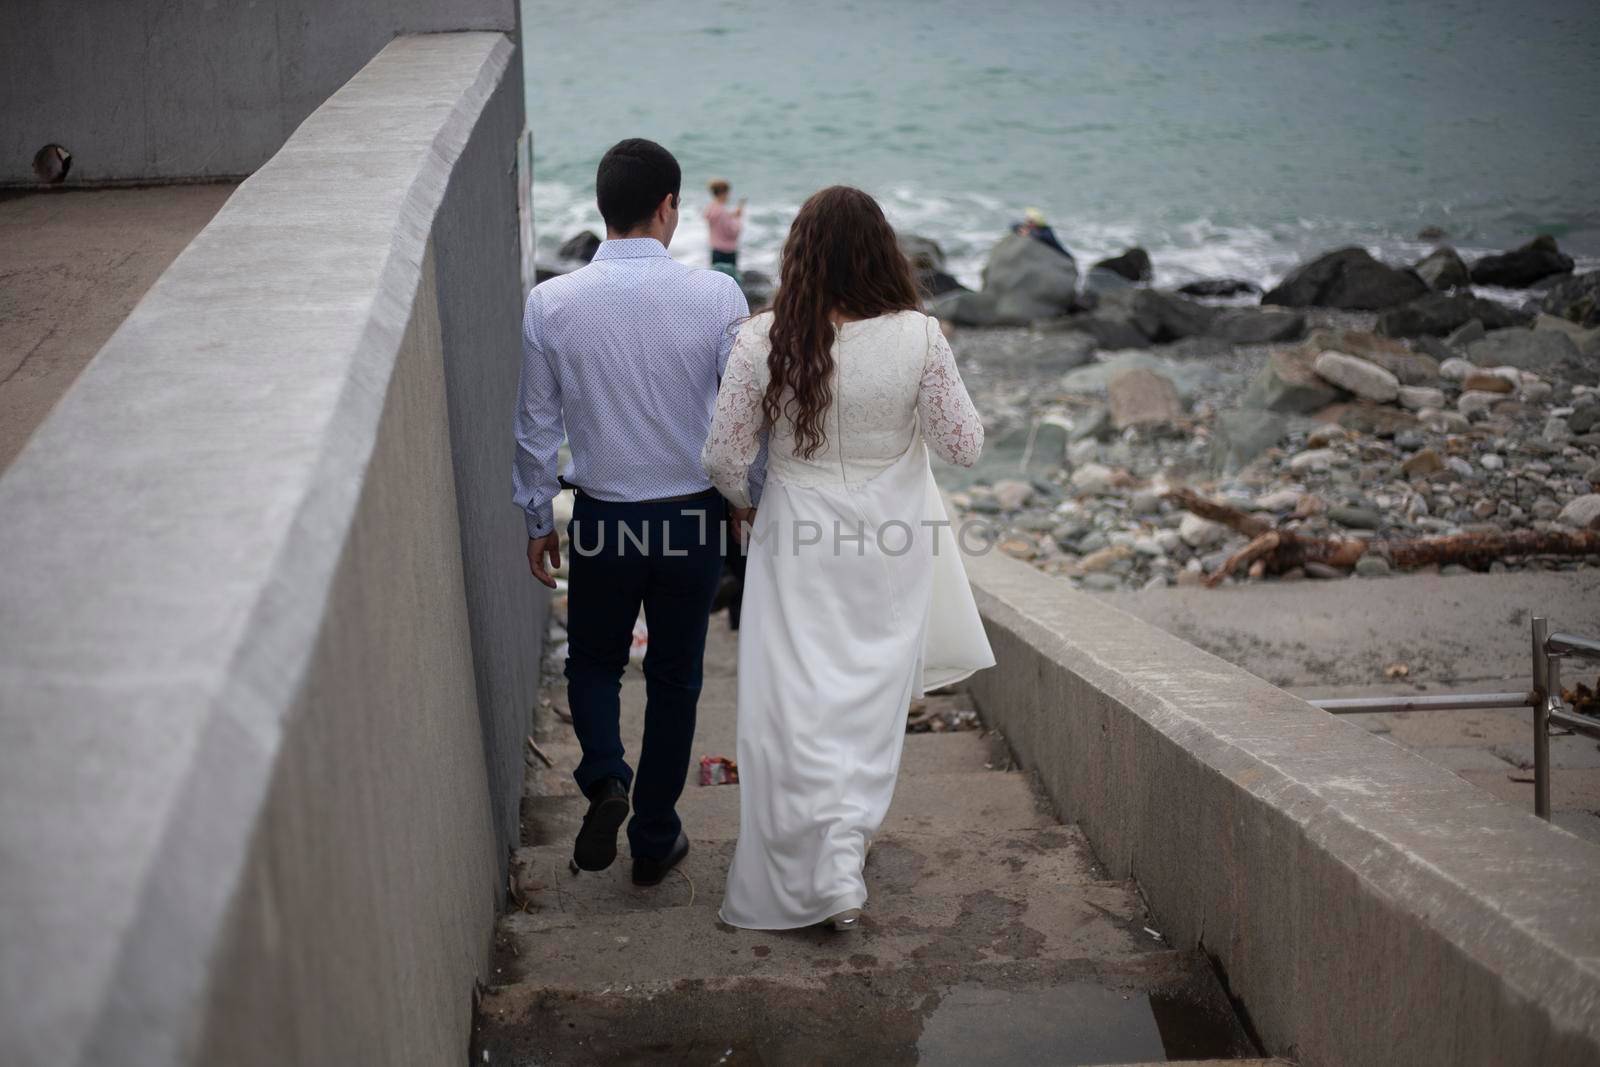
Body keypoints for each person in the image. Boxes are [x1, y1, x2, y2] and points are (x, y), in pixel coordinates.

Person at [703, 186, 995, 932]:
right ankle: (843, 849)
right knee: (865, 700)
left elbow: (724, 456)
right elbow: (963, 445)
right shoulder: (920, 337)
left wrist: (747, 503)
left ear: (798, 255)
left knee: (794, 701)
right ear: (881, 252)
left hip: (795, 532)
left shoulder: (762, 338)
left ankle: (816, 858)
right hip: (889, 542)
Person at [513, 138, 757, 887]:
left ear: (601, 208)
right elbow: (742, 419)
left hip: (605, 520)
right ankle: (654, 835)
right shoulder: (718, 296)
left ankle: (605, 776)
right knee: (677, 679)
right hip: (690, 519)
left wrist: (535, 519)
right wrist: (746, 501)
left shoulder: (551, 302)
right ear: (668, 208)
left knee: (594, 662)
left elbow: (534, 429)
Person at [704, 179, 745, 271]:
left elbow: (721, 220)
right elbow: (733, 232)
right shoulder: (722, 212)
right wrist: (738, 218)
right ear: (723, 193)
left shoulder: (711, 208)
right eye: (728, 193)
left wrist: (732, 215)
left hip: (715, 250)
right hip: (727, 252)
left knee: (715, 280)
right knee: (729, 281)